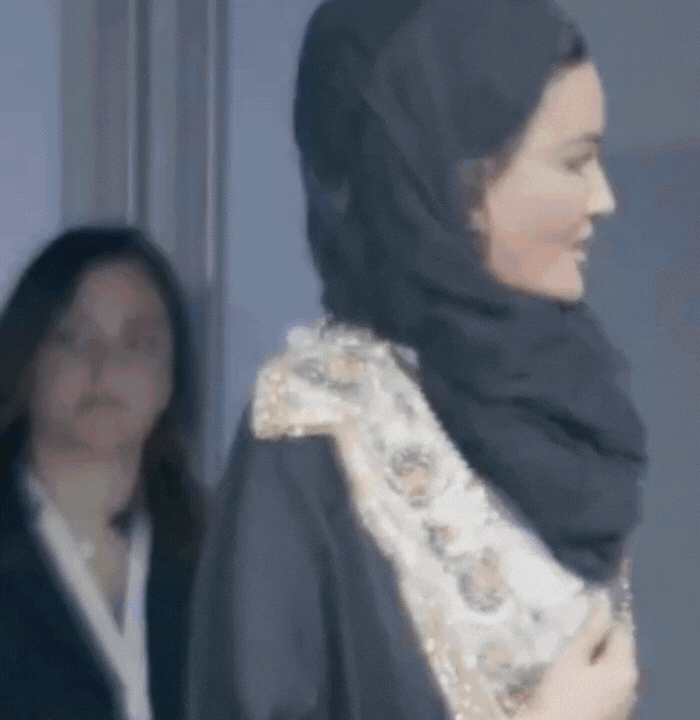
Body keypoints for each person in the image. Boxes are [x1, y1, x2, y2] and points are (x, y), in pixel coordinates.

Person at [185, 1, 646, 719]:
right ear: (461, 183)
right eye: (573, 162)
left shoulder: (564, 410)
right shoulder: (313, 427)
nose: (602, 199)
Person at [0, 226, 205, 720]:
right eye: (71, 337)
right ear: (26, 359)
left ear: (170, 376)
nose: (105, 366)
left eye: (138, 342)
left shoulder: (210, 559)